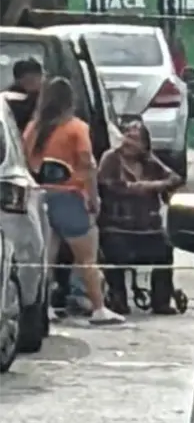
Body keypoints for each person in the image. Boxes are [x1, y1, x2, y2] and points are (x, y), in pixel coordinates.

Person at [23, 77, 124, 324]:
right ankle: (99, 308)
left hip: (40, 196)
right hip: (71, 195)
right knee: (86, 257)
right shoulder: (76, 128)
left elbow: (26, 161)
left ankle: (43, 308)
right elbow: (87, 164)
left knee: (47, 257)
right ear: (71, 100)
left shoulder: (33, 128)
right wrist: (93, 196)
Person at [98, 119, 183, 315]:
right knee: (114, 250)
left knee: (164, 250)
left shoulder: (150, 162)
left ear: (144, 144)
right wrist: (148, 187)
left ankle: (160, 301)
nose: (129, 142)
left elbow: (174, 179)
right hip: (117, 226)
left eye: (135, 139)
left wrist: (154, 185)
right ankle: (118, 298)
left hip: (147, 228)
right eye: (127, 136)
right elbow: (114, 186)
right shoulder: (111, 159)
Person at [6, 58, 43, 131]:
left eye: (39, 77)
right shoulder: (11, 100)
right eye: (31, 79)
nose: (38, 82)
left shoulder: (45, 96)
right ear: (18, 80)